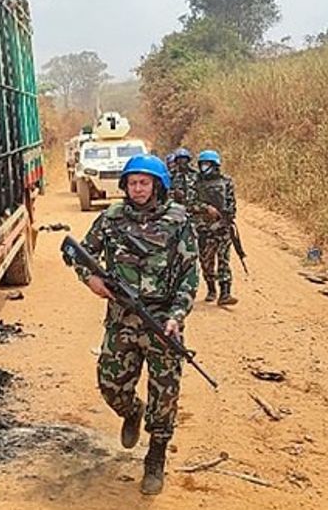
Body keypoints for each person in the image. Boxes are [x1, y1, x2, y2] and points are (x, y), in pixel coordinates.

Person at [76, 154, 199, 495]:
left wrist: (176, 315)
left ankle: (155, 460)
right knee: (110, 384)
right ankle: (131, 412)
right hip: (122, 320)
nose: (139, 188)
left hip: (163, 323)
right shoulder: (111, 218)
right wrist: (90, 279)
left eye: (145, 182)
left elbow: (190, 275)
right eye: (133, 183)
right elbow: (79, 253)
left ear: (157, 185)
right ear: (125, 186)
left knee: (165, 397)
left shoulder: (178, 220)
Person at [193, 149, 238, 305]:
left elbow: (231, 203)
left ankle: (225, 293)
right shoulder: (196, 182)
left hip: (222, 227)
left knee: (224, 260)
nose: (204, 167)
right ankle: (211, 288)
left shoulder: (226, 181)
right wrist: (206, 208)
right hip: (203, 228)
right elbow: (190, 203)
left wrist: (227, 218)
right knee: (206, 261)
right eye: (202, 164)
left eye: (207, 164)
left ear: (215, 165)